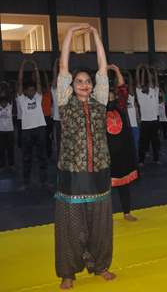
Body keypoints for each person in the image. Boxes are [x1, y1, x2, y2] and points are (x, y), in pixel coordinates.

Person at [55, 24, 115, 289]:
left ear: (93, 86)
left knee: (100, 224)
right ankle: (69, 271)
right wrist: (69, 35)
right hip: (72, 174)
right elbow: (63, 68)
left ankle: (100, 265)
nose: (83, 84)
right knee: (71, 226)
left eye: (87, 81)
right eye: (78, 81)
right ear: (71, 86)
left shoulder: (100, 102)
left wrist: (96, 37)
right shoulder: (65, 103)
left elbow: (103, 69)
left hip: (99, 171)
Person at [106, 64, 138, 222]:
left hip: (122, 152)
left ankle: (127, 212)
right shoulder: (98, 109)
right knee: (103, 187)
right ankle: (103, 216)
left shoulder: (120, 105)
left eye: (111, 94)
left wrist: (117, 70)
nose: (109, 96)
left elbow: (122, 88)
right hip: (106, 153)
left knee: (123, 184)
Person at [16, 59, 48, 191]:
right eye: (29, 90)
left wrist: (35, 67)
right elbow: (19, 82)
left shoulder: (38, 97)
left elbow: (39, 83)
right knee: (26, 157)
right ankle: (25, 182)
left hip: (40, 128)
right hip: (27, 131)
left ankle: (44, 181)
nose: (31, 92)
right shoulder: (21, 98)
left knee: (42, 157)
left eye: (33, 90)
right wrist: (22, 66)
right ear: (25, 91)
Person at [136, 64, 160, 165]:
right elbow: (138, 81)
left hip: (154, 121)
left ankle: (156, 159)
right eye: (143, 86)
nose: (144, 86)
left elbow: (152, 82)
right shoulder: (140, 94)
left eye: (146, 85)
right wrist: (139, 70)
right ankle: (141, 160)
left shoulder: (153, 92)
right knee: (143, 143)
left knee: (155, 142)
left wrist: (149, 71)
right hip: (145, 122)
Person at [0, 83, 14, 169]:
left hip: (10, 131)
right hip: (1, 131)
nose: (4, 103)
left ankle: (11, 164)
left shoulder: (10, 106)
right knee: (1, 149)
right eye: (2, 102)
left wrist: (7, 87)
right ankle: (1, 164)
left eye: (5, 102)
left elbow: (10, 96)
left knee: (10, 148)